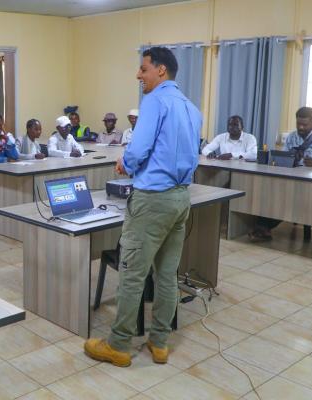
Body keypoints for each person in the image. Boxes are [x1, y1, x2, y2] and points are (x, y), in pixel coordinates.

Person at [85, 46, 201, 367]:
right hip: (180, 198)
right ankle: (160, 342)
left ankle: (119, 345)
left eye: (143, 69)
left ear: (160, 70)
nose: (138, 75)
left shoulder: (154, 102)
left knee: (133, 273)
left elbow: (139, 150)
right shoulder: (192, 108)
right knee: (166, 274)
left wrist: (126, 162)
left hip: (152, 199)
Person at [249, 107, 312, 242]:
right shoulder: (292, 137)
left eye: (304, 125)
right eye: (298, 124)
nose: (300, 127)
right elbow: (283, 156)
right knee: (273, 195)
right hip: (291, 178)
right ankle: (262, 226)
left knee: (287, 199)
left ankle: (263, 227)